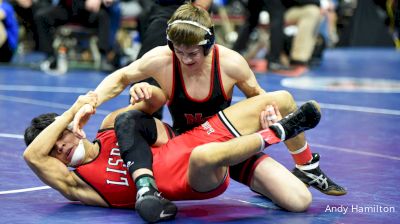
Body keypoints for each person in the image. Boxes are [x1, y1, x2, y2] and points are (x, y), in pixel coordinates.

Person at [73, 2, 346, 218]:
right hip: (191, 150)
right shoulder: (163, 59)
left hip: (229, 144)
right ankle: (301, 159)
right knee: (282, 101)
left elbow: (259, 98)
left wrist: (269, 116)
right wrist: (93, 98)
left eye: (193, 53)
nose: (186, 59)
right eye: (179, 51)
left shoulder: (230, 63)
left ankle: (306, 166)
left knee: (299, 201)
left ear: (209, 44)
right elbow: (121, 77)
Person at [24, 90, 321, 222]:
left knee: (299, 201)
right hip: (198, 172)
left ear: (74, 130)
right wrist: (72, 111)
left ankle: (303, 165)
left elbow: (156, 109)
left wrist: (145, 91)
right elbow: (32, 156)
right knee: (205, 156)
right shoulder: (79, 184)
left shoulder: (110, 126)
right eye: (53, 150)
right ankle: (273, 135)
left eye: (58, 138)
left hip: (194, 140)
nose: (59, 148)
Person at [34, 0, 117, 74]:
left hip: (88, 12)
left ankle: (105, 57)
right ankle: (50, 57)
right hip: (68, 9)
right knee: (41, 16)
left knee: (103, 16)